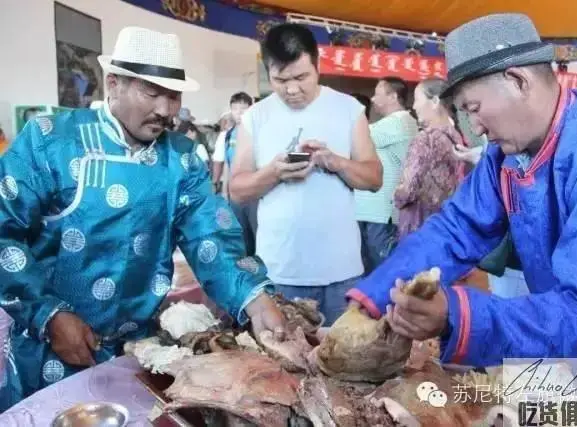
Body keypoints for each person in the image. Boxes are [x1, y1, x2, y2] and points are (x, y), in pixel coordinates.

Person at [0, 26, 285, 409]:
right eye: (152, 93)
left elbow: (211, 237)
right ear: (113, 84)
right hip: (50, 347)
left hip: (137, 352)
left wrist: (252, 295)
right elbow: (4, 234)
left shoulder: (181, 157)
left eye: (173, 95)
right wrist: (48, 316)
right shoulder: (50, 140)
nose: (166, 110)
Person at [347, 13, 577, 366]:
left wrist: (457, 314)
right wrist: (372, 297)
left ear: (518, 80)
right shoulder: (505, 155)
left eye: (474, 108)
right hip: (561, 343)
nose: (476, 127)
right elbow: (459, 228)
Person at [229, 23, 382, 325]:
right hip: (279, 270)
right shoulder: (255, 117)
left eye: (301, 77)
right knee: (283, 364)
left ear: (318, 65)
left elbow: (374, 178)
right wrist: (274, 172)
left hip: (342, 270)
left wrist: (334, 161)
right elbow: (236, 190)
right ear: (267, 71)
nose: (292, 89)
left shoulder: (349, 110)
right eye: (280, 80)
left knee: (344, 363)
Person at [356, 77, 417, 274]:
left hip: (381, 213)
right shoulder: (393, 123)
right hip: (373, 212)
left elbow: (356, 138)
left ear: (392, 97)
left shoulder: (398, 123)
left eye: (377, 93)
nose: (373, 99)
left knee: (382, 271)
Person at [394, 78, 462, 239]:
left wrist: (397, 195)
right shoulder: (458, 136)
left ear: (435, 101)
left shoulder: (425, 139)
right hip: (448, 223)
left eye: (417, 100)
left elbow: (408, 190)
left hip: (420, 226)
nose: (414, 106)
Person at [212, 92, 258, 255]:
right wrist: (223, 191)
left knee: (259, 236)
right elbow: (224, 164)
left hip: (256, 195)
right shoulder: (226, 136)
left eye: (244, 109)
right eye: (235, 108)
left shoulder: (259, 134)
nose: (239, 112)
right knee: (240, 238)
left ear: (251, 109)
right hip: (235, 196)